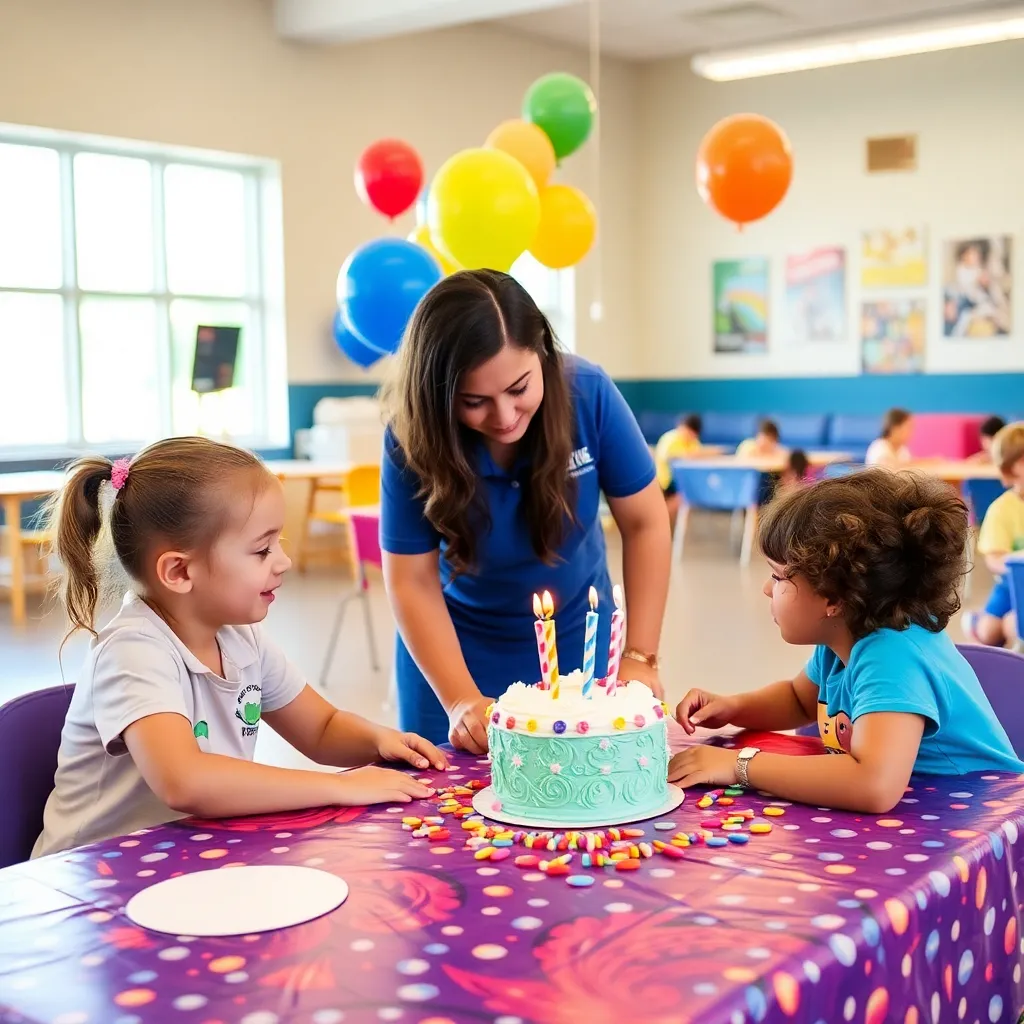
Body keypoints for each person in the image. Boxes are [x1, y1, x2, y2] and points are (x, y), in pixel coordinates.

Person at [33, 438, 447, 859]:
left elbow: (321, 729)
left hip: (184, 860)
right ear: (179, 571)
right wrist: (341, 786)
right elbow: (185, 781)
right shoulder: (132, 651)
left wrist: (380, 741)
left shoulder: (239, 637)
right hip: (87, 881)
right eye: (262, 549)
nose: (283, 560)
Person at [379, 269, 671, 752]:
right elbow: (411, 579)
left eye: (519, 389)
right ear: (438, 396)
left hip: (579, 644)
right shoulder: (409, 436)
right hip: (454, 652)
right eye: (474, 402)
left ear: (543, 354)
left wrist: (641, 655)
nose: (505, 416)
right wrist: (458, 700)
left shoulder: (589, 393)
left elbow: (646, 523)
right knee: (448, 815)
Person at [669, 469, 1022, 812]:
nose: (765, 588)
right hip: (924, 813)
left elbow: (872, 784)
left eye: (778, 577)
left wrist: (737, 765)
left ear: (834, 597)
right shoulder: (843, 638)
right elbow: (798, 699)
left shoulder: (892, 654)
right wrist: (732, 707)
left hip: (987, 823)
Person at [962, 422, 1024, 648]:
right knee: (991, 632)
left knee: (1014, 625)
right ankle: (977, 622)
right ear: (1013, 468)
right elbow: (994, 558)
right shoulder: (1002, 509)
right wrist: (1016, 566)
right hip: (1012, 585)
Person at [654, 414, 703, 532]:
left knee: (686, 495)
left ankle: (668, 526)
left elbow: (698, 456)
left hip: (681, 481)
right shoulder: (670, 438)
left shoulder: (693, 442)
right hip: (663, 480)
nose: (688, 435)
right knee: (683, 497)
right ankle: (659, 521)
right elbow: (668, 458)